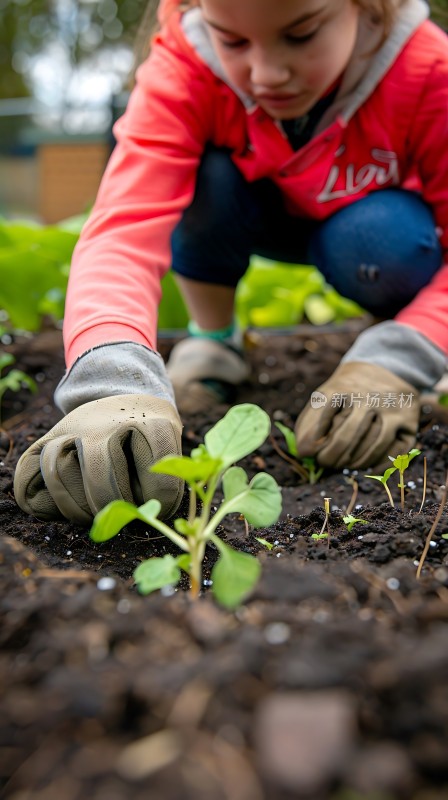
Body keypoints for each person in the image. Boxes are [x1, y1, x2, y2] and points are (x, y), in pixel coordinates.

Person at [14, 0, 448, 524]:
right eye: (233, 41)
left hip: (364, 227)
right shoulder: (183, 66)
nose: (266, 74)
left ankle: (394, 351)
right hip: (243, 205)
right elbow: (124, 231)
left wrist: (402, 356)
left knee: (385, 239)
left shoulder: (426, 69)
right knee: (204, 181)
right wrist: (110, 378)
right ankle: (215, 343)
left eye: (302, 34)